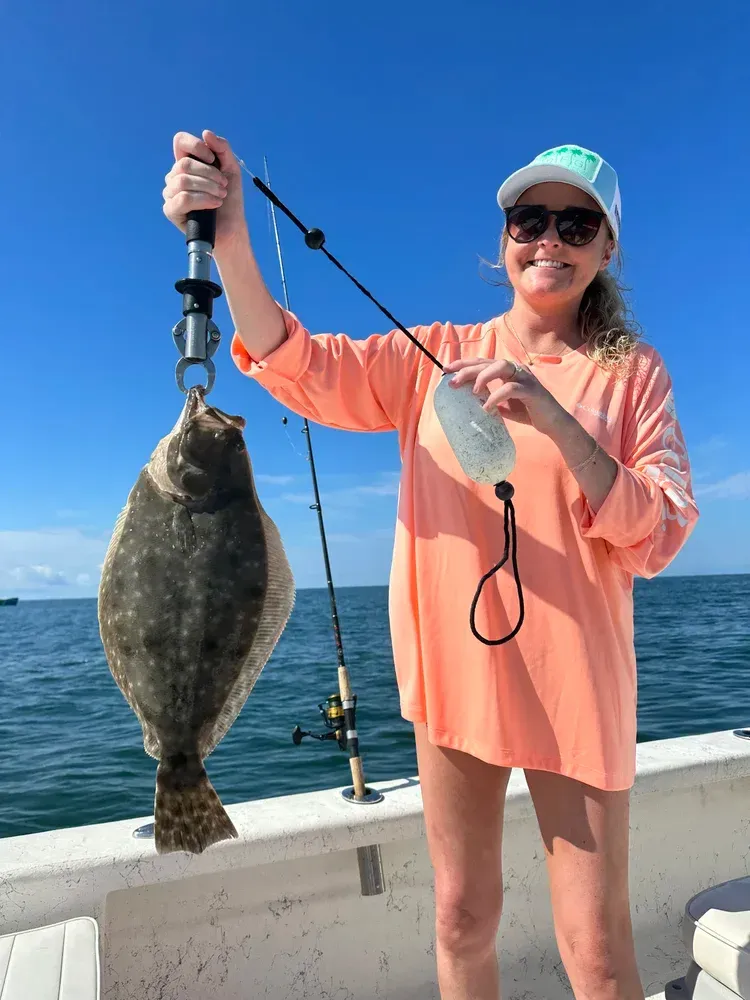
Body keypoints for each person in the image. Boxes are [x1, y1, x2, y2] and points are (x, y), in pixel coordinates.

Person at [163, 131, 699, 1000]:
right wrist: (229, 234)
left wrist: (558, 421)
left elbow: (663, 529)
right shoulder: (435, 354)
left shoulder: (632, 376)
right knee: (458, 917)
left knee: (596, 953)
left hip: (579, 691)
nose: (548, 240)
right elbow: (300, 363)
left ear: (607, 248)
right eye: (530, 219)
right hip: (456, 683)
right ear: (505, 239)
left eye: (575, 223)